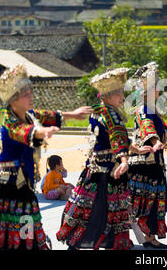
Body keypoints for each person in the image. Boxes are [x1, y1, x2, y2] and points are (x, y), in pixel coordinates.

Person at [0, 64, 92, 250]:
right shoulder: (9, 120)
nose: (31, 97)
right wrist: (43, 132)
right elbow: (26, 132)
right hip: (5, 185)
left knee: (25, 224)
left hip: (22, 183)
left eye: (30, 92)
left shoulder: (30, 115)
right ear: (13, 100)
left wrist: (72, 114)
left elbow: (49, 116)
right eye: (26, 94)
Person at [57, 68, 151, 250]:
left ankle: (76, 241)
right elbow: (117, 139)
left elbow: (116, 137)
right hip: (109, 173)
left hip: (94, 170)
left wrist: (135, 148)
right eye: (118, 93)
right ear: (107, 95)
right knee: (108, 212)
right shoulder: (112, 114)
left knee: (87, 208)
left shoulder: (97, 111)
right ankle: (108, 243)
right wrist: (124, 160)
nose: (122, 97)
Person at [128, 62, 167, 249]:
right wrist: (155, 142)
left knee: (152, 201)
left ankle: (149, 235)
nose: (159, 90)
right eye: (155, 87)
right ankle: (144, 236)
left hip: (154, 163)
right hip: (145, 163)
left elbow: (165, 129)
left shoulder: (154, 110)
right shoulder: (143, 109)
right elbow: (147, 127)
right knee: (144, 201)